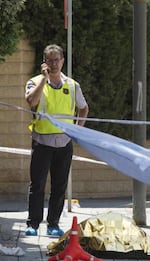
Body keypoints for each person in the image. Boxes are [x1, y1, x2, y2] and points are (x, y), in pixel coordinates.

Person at [24, 44, 89, 236]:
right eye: (49, 60)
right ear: (44, 62)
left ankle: (53, 223)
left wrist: (78, 129)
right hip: (42, 142)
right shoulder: (34, 82)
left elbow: (84, 108)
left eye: (57, 59)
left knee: (59, 186)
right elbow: (31, 102)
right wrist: (44, 79)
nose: (53, 63)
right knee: (37, 185)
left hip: (64, 144)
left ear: (62, 61)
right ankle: (33, 224)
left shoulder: (72, 85)